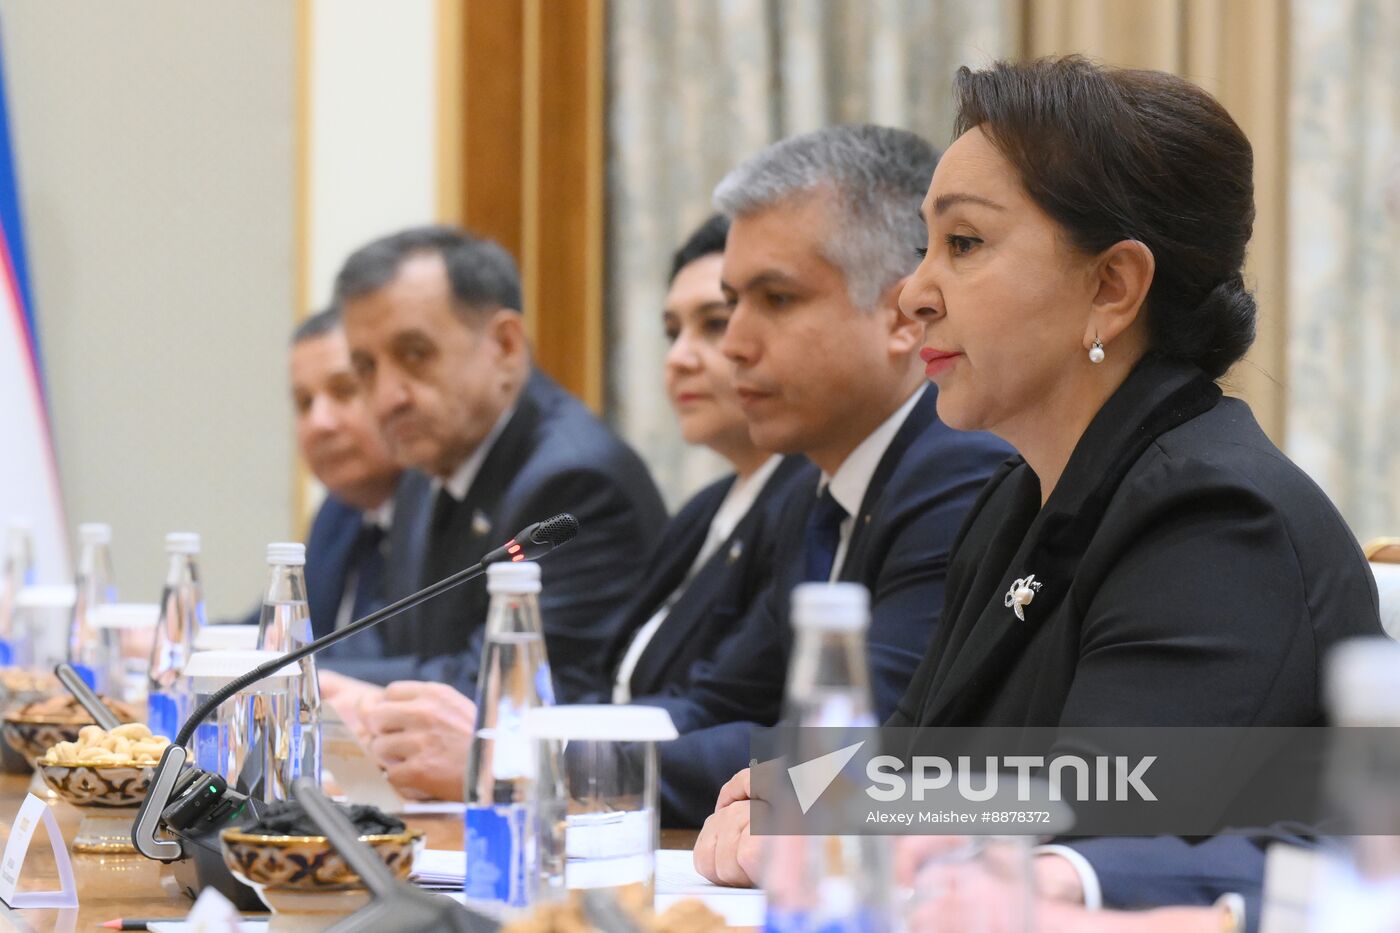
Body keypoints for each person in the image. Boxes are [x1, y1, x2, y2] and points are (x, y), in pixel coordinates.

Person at [694, 57, 1383, 932]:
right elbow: (915, 759)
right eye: (924, 248)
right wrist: (800, 791)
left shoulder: (1216, 515)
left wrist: (826, 813)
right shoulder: (1022, 498)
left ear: (1113, 286)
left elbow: (1098, 817)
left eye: (965, 245)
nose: (912, 295)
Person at [640, 125, 1011, 826]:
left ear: (902, 316)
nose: (737, 345)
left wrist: (569, 763)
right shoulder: (813, 484)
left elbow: (859, 753)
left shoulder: (961, 472)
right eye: (733, 302)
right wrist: (546, 739)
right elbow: (725, 702)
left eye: (774, 300)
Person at [321, 226, 667, 732]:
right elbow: (390, 637)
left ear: (504, 346)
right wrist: (289, 665)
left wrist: (318, 678)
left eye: (414, 353)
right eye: (366, 368)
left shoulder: (575, 482)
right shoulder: (429, 464)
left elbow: (512, 687)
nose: (387, 396)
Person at [591, 213, 809, 705]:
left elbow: (727, 708)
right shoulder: (701, 513)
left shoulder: (810, 502)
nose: (678, 359)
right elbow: (610, 682)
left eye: (714, 324)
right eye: (672, 332)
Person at [235, 309, 403, 662]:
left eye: (344, 391)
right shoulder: (338, 511)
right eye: (304, 403)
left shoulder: (435, 516)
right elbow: (276, 632)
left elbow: (383, 656)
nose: (319, 422)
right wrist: (189, 646)